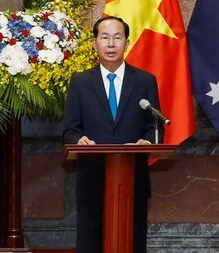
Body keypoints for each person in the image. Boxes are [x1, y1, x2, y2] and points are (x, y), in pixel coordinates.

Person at [62, 16, 163, 253]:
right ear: (95, 43)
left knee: (132, 243)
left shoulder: (145, 81)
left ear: (127, 43)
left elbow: (154, 125)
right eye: (105, 37)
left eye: (117, 38)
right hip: (92, 180)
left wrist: (147, 140)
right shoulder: (80, 83)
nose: (111, 44)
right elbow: (70, 130)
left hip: (133, 179)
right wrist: (78, 140)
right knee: (91, 245)